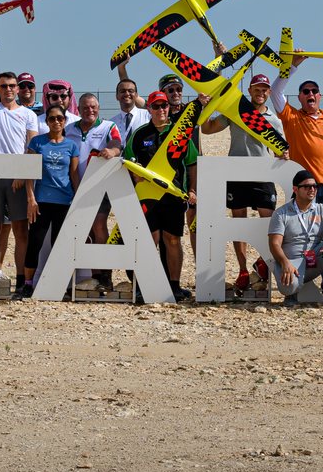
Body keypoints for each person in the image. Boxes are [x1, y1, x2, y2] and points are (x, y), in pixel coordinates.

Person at [204, 73, 285, 292]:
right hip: (236, 175)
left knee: (269, 224)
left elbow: (280, 150)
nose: (260, 93)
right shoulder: (235, 111)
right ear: (249, 90)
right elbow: (207, 129)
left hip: (263, 176)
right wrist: (210, 104)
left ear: (269, 92)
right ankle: (242, 270)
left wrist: (283, 154)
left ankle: (262, 262)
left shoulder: (274, 120)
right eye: (256, 89)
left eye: (264, 89)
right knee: (238, 224)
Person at [124, 91, 197, 302]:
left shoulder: (180, 133)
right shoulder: (140, 134)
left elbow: (192, 163)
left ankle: (174, 286)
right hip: (148, 197)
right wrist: (135, 174)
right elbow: (128, 160)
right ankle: (144, 286)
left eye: (164, 105)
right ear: (149, 109)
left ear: (168, 107)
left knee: (172, 239)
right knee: (150, 239)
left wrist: (192, 190)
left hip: (173, 195)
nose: (161, 110)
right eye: (156, 106)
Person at [0, 59, 40, 292]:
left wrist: (23, 174)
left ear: (18, 88)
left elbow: (31, 147)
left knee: (20, 231)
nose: (9, 89)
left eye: (13, 86)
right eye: (3, 86)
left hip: (17, 179)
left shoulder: (28, 115)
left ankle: (22, 280)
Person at [19, 103, 85, 296]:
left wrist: (78, 201)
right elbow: (29, 173)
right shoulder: (37, 142)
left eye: (60, 118)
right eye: (52, 118)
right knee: (35, 243)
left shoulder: (71, 146)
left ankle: (59, 284)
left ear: (65, 121)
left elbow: (74, 175)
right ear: (47, 121)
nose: (56, 121)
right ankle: (28, 284)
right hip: (41, 202)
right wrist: (31, 199)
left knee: (60, 245)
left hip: (64, 202)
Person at [270, 61, 323, 215]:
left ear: (320, 96)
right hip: (302, 186)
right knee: (302, 228)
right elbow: (274, 91)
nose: (310, 94)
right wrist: (293, 65)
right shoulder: (291, 117)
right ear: (299, 97)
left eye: (314, 91)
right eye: (306, 91)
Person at [66, 92, 123, 291]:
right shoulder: (69, 129)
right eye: (85, 107)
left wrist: (112, 151)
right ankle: (94, 275)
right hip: (74, 186)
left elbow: (117, 143)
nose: (89, 110)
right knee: (85, 230)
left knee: (99, 225)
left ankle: (105, 275)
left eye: (93, 107)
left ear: (98, 108)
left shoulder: (108, 126)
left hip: (100, 186)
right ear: (78, 109)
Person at [268, 169, 323, 308]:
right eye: (307, 186)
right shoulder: (281, 213)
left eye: (314, 186)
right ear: (295, 189)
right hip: (292, 263)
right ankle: (291, 293)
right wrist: (285, 263)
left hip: (315, 258)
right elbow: (274, 244)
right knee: (288, 288)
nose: (312, 189)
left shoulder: (321, 209)